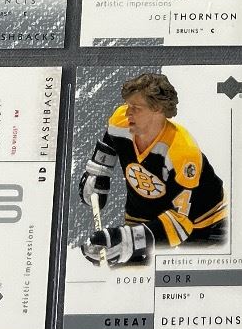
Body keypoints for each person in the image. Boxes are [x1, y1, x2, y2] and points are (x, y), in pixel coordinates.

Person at [76, 71, 227, 264]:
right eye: (128, 105)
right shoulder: (121, 121)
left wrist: (127, 241)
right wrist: (98, 174)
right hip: (144, 213)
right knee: (128, 271)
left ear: (158, 110)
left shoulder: (182, 151)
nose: (127, 112)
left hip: (203, 224)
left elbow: (182, 223)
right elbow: (109, 144)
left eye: (136, 108)